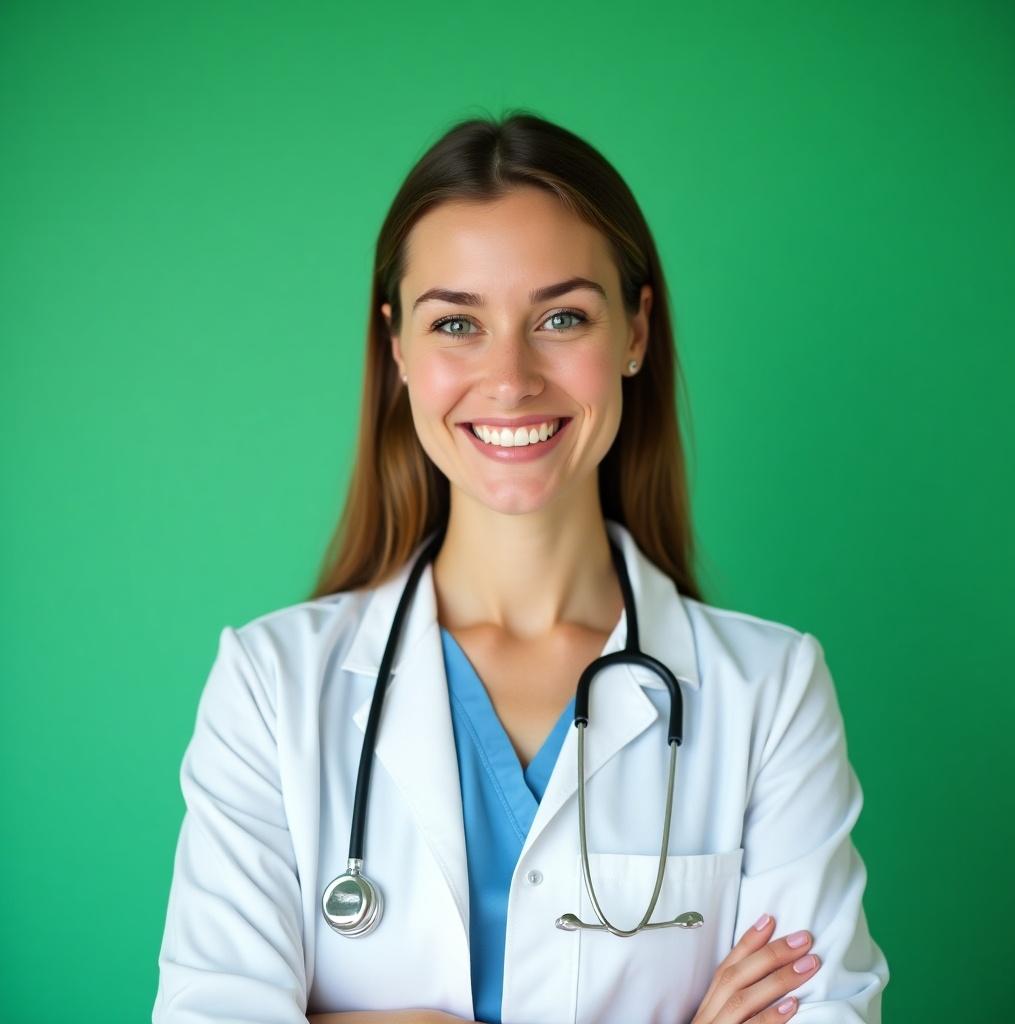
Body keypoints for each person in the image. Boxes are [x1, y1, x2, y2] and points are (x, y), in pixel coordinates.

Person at [152, 111, 889, 1024]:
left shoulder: (768, 692)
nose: (509, 377)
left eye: (562, 317)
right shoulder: (270, 688)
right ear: (398, 350)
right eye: (457, 322)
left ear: (635, 332)